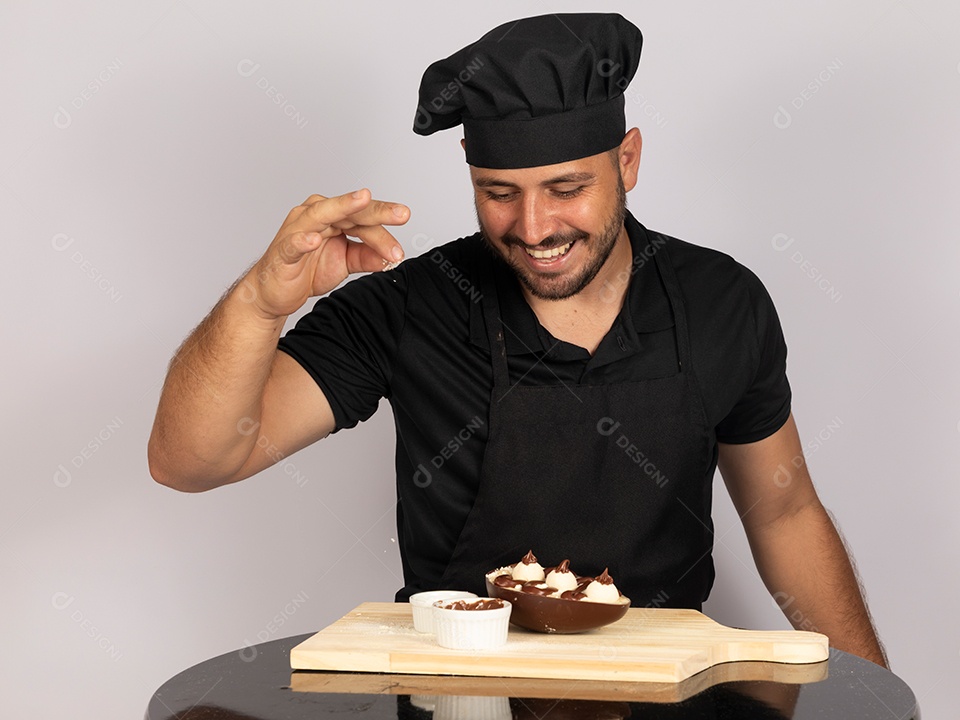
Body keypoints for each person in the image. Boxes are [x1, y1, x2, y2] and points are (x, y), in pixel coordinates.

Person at [148, 13, 887, 667]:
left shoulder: (722, 302)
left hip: (670, 694)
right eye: (499, 193)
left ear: (627, 160)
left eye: (566, 189)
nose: (533, 230)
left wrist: (873, 698)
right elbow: (191, 461)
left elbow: (784, 513)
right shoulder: (409, 305)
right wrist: (258, 302)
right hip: (461, 695)